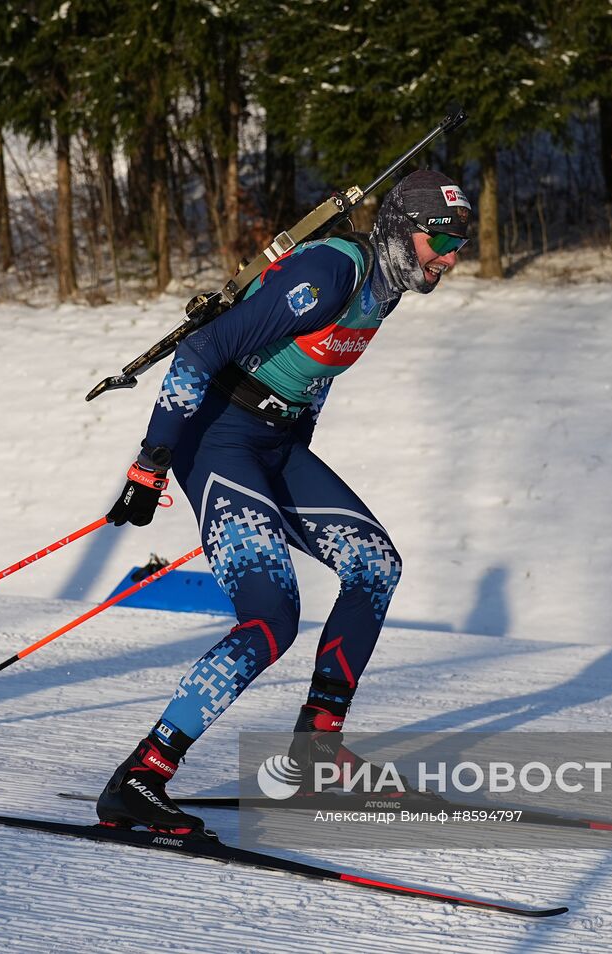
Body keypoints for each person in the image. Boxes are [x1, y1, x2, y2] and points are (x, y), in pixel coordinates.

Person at [97, 169, 472, 832]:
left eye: (456, 244)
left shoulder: (388, 285)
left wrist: (287, 463)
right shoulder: (333, 273)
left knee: (374, 565)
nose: (446, 256)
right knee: (271, 619)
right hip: (218, 442)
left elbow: (311, 379)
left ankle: (317, 754)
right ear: (396, 228)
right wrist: (152, 462)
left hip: (273, 446)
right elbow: (200, 351)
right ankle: (140, 777)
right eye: (436, 240)